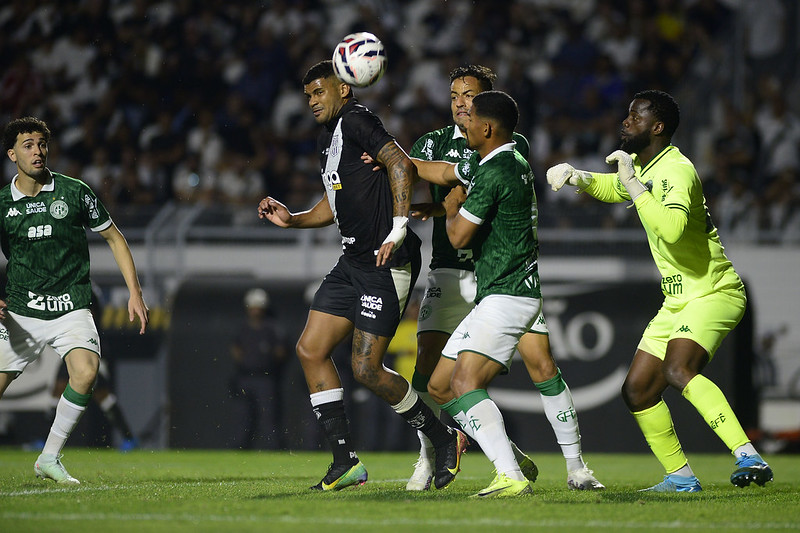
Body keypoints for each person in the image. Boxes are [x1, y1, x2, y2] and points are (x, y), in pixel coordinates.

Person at [546, 90, 774, 492]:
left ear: (658, 126)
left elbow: (670, 228)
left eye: (636, 116)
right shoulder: (642, 165)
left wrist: (633, 184)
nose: (625, 121)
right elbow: (617, 188)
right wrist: (579, 178)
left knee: (677, 369)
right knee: (638, 390)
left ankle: (748, 455)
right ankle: (681, 478)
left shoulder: (676, 171)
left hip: (713, 291)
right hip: (678, 300)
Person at [257, 60, 466, 492]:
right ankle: (344, 462)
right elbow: (335, 203)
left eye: (319, 91)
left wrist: (399, 226)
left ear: (344, 90)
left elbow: (400, 164)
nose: (312, 100)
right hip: (352, 263)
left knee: (366, 369)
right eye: (308, 95)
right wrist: (293, 220)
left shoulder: (357, 119)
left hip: (386, 264)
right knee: (311, 349)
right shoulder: (327, 136)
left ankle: (442, 437)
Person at [406, 65, 603, 491]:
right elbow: (451, 184)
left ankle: (563, 468)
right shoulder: (446, 145)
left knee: (528, 366)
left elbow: (468, 206)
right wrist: (441, 203)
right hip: (469, 275)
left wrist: (453, 204)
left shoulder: (499, 156)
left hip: (501, 285)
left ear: (487, 117)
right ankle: (487, 452)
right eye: (455, 94)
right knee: (436, 379)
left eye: (470, 98)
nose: (461, 104)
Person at [0, 116, 149, 484]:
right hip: (21, 311)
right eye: (28, 145)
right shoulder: (3, 203)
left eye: (41, 143)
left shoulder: (74, 191)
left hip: (71, 306)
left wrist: (134, 291)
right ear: (11, 154)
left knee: (85, 373)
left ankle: (48, 457)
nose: (37, 151)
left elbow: (114, 237)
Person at [411, 90, 544, 498]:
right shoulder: (514, 160)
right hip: (499, 293)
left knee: (465, 383)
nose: (463, 122)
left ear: (486, 128)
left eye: (471, 118)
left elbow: (459, 234)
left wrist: (450, 206)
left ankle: (509, 475)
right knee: (438, 385)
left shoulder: (494, 171)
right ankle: (506, 457)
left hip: (507, 294)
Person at [229, 287, 289, 449]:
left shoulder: (272, 328)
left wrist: (265, 363)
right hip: (245, 377)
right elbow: (236, 349)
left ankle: (274, 448)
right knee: (243, 416)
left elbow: (280, 352)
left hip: (265, 379)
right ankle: (240, 448)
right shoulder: (243, 328)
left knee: (269, 417)